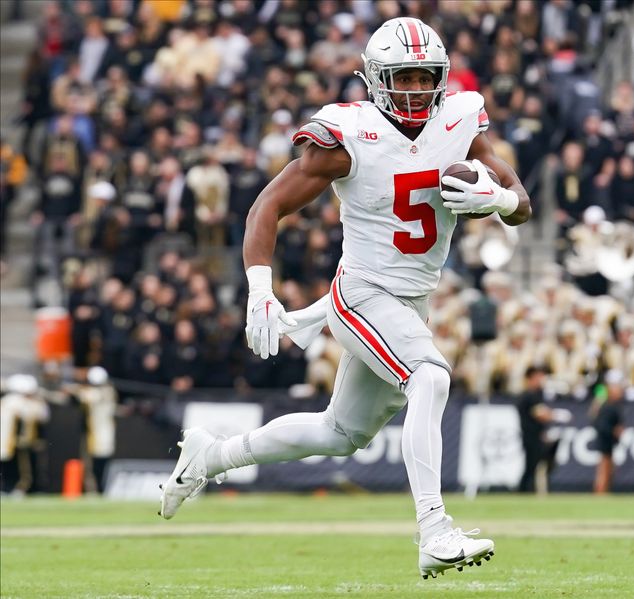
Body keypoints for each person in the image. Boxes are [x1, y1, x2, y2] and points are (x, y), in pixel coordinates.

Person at [160, 18, 531, 579]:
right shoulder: (347, 136)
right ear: (376, 79)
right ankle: (433, 529)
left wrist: (499, 198)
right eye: (400, 78)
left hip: (411, 300)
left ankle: (212, 456)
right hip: (363, 291)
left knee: (341, 434)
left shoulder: (459, 121)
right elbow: (267, 206)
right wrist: (260, 287)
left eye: (423, 77)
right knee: (429, 377)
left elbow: (522, 201)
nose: (412, 89)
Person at [517, 365, 571, 493]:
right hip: (530, 437)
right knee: (531, 466)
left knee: (537, 466)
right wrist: (558, 415)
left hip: (536, 435)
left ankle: (529, 491)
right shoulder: (529, 396)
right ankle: (523, 491)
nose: (541, 379)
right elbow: (540, 414)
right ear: (529, 378)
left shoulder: (537, 394)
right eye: (538, 376)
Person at [592, 370, 625, 494]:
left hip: (608, 442)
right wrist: (614, 431)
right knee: (604, 469)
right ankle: (600, 493)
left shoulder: (612, 405)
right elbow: (601, 425)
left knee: (608, 469)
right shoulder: (607, 406)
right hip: (605, 442)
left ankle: (604, 492)